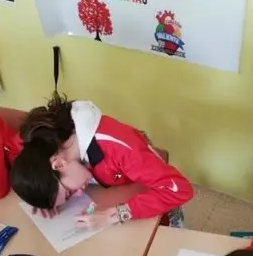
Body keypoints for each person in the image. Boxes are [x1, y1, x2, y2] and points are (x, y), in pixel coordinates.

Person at [10, 93, 194, 228]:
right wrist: (42, 195)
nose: (78, 195)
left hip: (154, 204)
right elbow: (14, 151)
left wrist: (115, 215)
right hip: (114, 191)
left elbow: (179, 189)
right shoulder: (39, 142)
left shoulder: (118, 148)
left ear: (59, 164)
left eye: (69, 193)